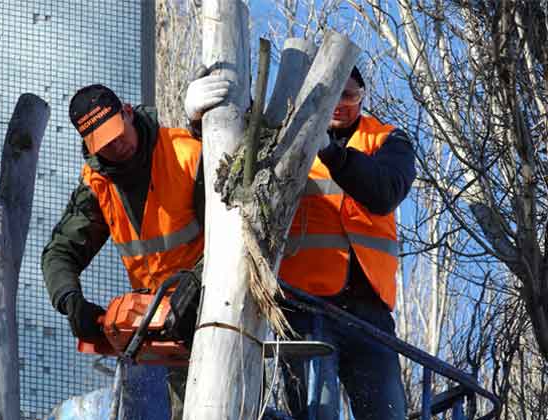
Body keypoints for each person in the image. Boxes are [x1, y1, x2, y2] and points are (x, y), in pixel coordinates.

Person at [185, 65, 415, 419]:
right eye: (332, 97)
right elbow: (229, 171)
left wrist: (332, 153)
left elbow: (383, 192)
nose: (340, 105)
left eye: (350, 96)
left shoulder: (387, 140)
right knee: (315, 412)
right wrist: (200, 123)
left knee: (387, 411)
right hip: (304, 308)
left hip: (370, 311)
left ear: (363, 97)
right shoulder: (283, 142)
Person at [41, 81, 226, 420]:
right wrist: (71, 300)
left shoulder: (187, 154)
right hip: (153, 329)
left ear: (127, 111)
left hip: (213, 309)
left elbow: (231, 235)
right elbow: (59, 251)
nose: (116, 145)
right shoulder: (98, 184)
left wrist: (197, 283)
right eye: (103, 143)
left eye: (117, 132)